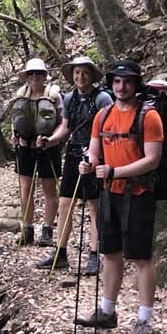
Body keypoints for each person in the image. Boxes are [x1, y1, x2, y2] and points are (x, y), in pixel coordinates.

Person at [77, 59, 162, 334]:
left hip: (138, 194)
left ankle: (144, 320)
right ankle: (107, 311)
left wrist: (116, 172)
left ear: (136, 84)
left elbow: (152, 159)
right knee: (110, 253)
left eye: (127, 82)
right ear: (111, 84)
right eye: (116, 81)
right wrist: (88, 164)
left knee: (141, 257)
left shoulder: (149, 117)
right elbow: (94, 151)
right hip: (108, 193)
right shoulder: (103, 116)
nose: (121, 87)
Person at [37, 56, 111, 274]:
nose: (80, 77)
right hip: (73, 153)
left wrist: (96, 153)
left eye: (84, 72)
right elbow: (65, 127)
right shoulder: (69, 98)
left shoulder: (103, 99)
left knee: (94, 207)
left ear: (92, 75)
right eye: (77, 73)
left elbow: (109, 130)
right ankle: (60, 253)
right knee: (64, 204)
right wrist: (51, 140)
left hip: (96, 157)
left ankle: (95, 255)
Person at [8, 58, 61, 247]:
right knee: (25, 188)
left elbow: (62, 121)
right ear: (27, 77)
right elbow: (16, 118)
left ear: (44, 76)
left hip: (48, 148)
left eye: (39, 74)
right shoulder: (21, 94)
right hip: (25, 146)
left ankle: (47, 231)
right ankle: (27, 229)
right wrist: (14, 135)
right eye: (32, 74)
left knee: (49, 189)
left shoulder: (54, 95)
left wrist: (52, 139)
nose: (35, 77)